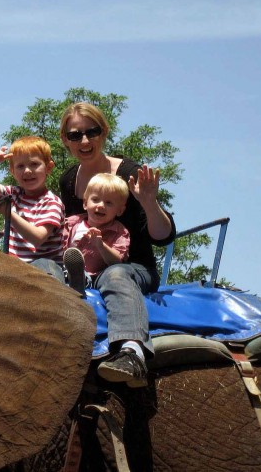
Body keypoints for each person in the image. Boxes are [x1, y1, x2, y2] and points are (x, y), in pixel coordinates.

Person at [59, 102, 176, 388]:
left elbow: (163, 237)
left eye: (92, 132)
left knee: (115, 274)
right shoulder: (68, 180)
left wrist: (148, 201)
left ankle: (132, 352)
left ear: (104, 133)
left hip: (128, 267)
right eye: (75, 135)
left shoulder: (130, 174)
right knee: (44, 266)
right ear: (65, 140)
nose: (84, 141)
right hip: (86, 271)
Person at [0, 135, 64, 265]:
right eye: (20, 166)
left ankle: (74, 276)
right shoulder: (13, 194)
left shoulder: (51, 202)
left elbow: (37, 238)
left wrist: (8, 213)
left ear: (48, 168)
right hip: (15, 266)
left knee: (45, 265)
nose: (27, 171)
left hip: (44, 266)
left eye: (34, 164)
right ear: (12, 171)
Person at [62, 172, 130, 296]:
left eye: (108, 203)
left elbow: (117, 261)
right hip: (61, 270)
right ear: (85, 203)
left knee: (82, 275)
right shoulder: (71, 223)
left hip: (90, 277)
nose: (101, 205)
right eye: (95, 199)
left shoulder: (119, 232)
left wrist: (100, 245)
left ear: (120, 210)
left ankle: (78, 282)